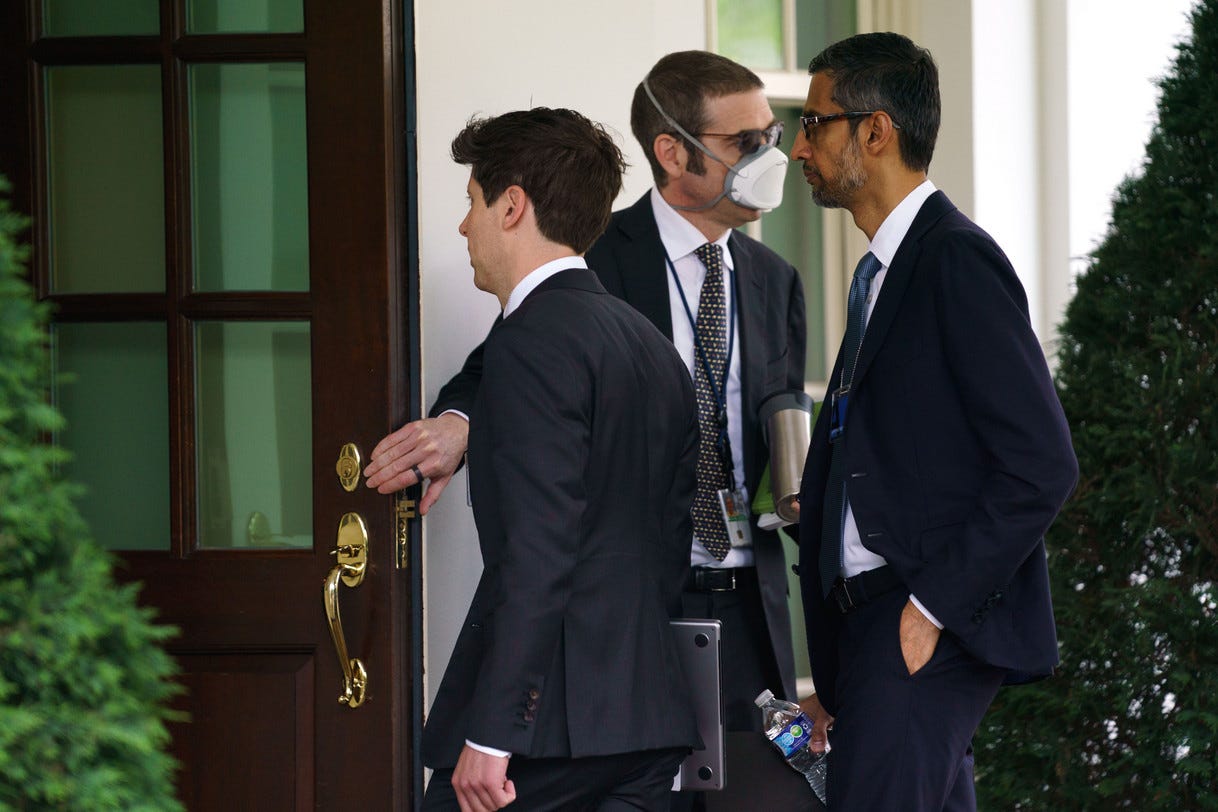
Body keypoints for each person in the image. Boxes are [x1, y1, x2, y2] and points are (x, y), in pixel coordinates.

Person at [366, 50, 808, 753]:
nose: (769, 157)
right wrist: (458, 426)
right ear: (673, 152)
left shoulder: (774, 280)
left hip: (748, 603)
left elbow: (779, 432)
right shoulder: (590, 252)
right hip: (636, 610)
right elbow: (504, 369)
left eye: (772, 137)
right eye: (745, 143)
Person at [789, 33, 1079, 810]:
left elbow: (1043, 464)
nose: (796, 147)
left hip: (918, 625)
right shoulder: (882, 270)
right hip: (875, 638)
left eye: (814, 123)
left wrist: (930, 612)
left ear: (874, 131)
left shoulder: (953, 259)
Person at [418, 107, 702, 811]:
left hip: (546, 738)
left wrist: (492, 733)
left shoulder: (529, 344)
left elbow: (537, 553)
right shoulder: (650, 346)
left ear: (512, 206)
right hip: (645, 719)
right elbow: (669, 544)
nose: (464, 226)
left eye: (472, 203)